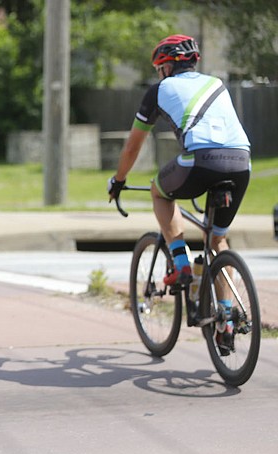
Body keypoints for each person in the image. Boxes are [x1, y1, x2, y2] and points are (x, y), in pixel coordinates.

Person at [107, 34, 251, 353]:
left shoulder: (159, 90)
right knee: (217, 239)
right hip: (242, 161)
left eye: (160, 68)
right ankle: (226, 318)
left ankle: (181, 261)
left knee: (160, 193)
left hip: (200, 160)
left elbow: (133, 145)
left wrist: (118, 180)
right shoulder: (216, 83)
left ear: (166, 66)